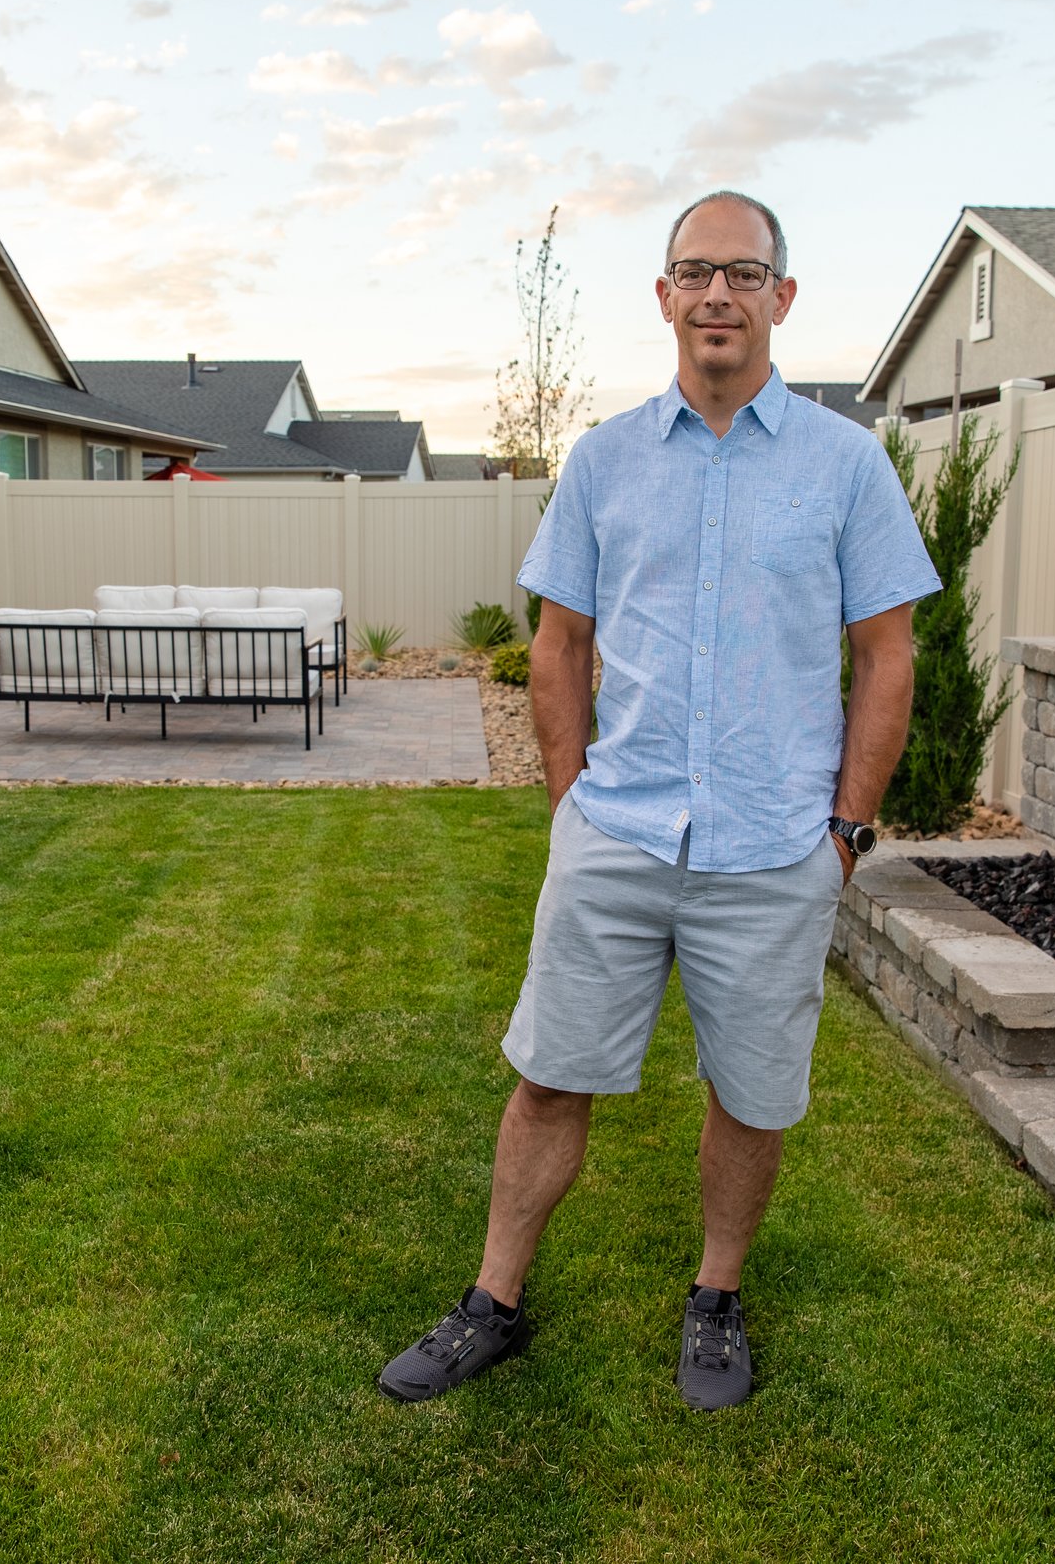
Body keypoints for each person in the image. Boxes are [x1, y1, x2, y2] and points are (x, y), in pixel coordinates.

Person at [379, 191, 941, 1413]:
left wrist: (844, 829)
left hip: (771, 844)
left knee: (750, 1090)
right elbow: (557, 643)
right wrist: (571, 807)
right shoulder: (605, 460)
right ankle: (493, 1301)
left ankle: (717, 1294)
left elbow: (887, 655)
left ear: (781, 298)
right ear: (663, 295)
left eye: (743, 273)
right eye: (695, 271)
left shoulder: (847, 465)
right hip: (618, 833)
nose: (718, 295)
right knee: (547, 1076)